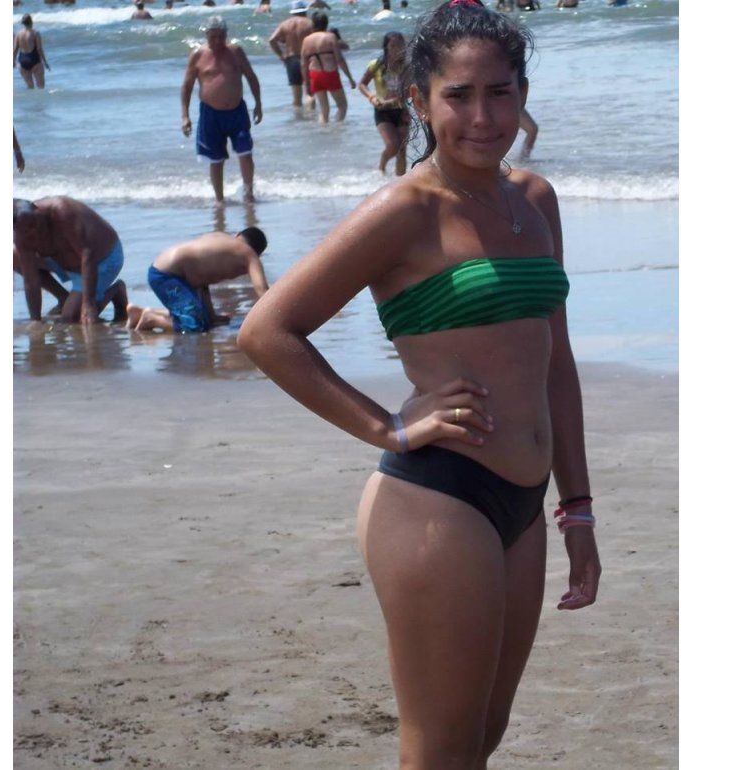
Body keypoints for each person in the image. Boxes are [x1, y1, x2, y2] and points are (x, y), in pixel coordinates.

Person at [238, 3, 601, 767]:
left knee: (483, 737)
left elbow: (556, 363)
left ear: (523, 94)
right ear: (420, 100)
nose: (483, 117)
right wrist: (387, 427)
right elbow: (267, 331)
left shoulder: (535, 201)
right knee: (439, 750)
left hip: (524, 507)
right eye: (458, 96)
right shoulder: (404, 210)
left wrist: (577, 508)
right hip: (438, 500)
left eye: (500, 93)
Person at [181, 17, 263, 204]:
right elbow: (187, 86)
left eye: (221, 37)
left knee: (245, 152)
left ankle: (249, 193)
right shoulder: (198, 55)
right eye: (213, 37)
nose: (218, 41)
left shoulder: (236, 52)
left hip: (237, 111)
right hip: (210, 114)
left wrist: (258, 104)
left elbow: (251, 77)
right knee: (215, 159)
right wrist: (185, 115)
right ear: (206, 35)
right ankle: (219, 199)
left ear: (226, 35)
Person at [126, 229, 269, 333]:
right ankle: (151, 319)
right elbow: (262, 291)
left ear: (237, 234)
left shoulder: (219, 239)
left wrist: (212, 316)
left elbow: (201, 280)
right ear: (258, 254)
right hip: (167, 277)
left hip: (162, 270)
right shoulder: (248, 254)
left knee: (206, 321)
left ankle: (138, 312)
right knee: (195, 327)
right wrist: (274, 321)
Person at [13, 197, 128, 325]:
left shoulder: (62, 212)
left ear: (38, 211)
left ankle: (116, 291)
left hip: (102, 260)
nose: (35, 231)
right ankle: (63, 298)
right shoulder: (20, 236)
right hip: (64, 262)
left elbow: (87, 254)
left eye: (35, 223)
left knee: (71, 318)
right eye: (27, 231)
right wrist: (35, 320)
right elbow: (31, 280)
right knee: (14, 256)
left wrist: (88, 303)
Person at [359, 31, 408, 176]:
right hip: (382, 111)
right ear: (386, 47)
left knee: (402, 150)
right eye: (393, 45)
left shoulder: (407, 66)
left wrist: (397, 99)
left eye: (400, 45)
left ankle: (400, 182)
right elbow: (362, 84)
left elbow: (412, 89)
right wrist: (372, 97)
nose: (397, 49)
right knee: (393, 145)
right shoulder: (377, 65)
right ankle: (381, 166)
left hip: (401, 110)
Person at [301, 11, 356, 124]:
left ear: (313, 24)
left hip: (315, 75)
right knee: (342, 106)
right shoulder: (331, 37)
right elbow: (340, 59)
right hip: (330, 73)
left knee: (324, 110)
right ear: (326, 23)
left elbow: (303, 64)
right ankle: (336, 128)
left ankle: (323, 131)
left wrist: (307, 84)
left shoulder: (306, 40)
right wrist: (350, 78)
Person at [269, 3, 314, 109]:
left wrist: (281, 55)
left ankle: (298, 117)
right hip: (307, 59)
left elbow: (272, 40)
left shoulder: (285, 24)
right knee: (309, 93)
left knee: (296, 97)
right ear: (305, 11)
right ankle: (311, 116)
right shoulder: (310, 23)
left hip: (291, 59)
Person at [13, 14, 50, 90]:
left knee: (30, 88)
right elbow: (39, 49)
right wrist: (45, 63)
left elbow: (15, 49)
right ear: (31, 22)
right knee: (41, 87)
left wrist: (13, 62)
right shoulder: (35, 33)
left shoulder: (18, 34)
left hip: (22, 61)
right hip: (34, 60)